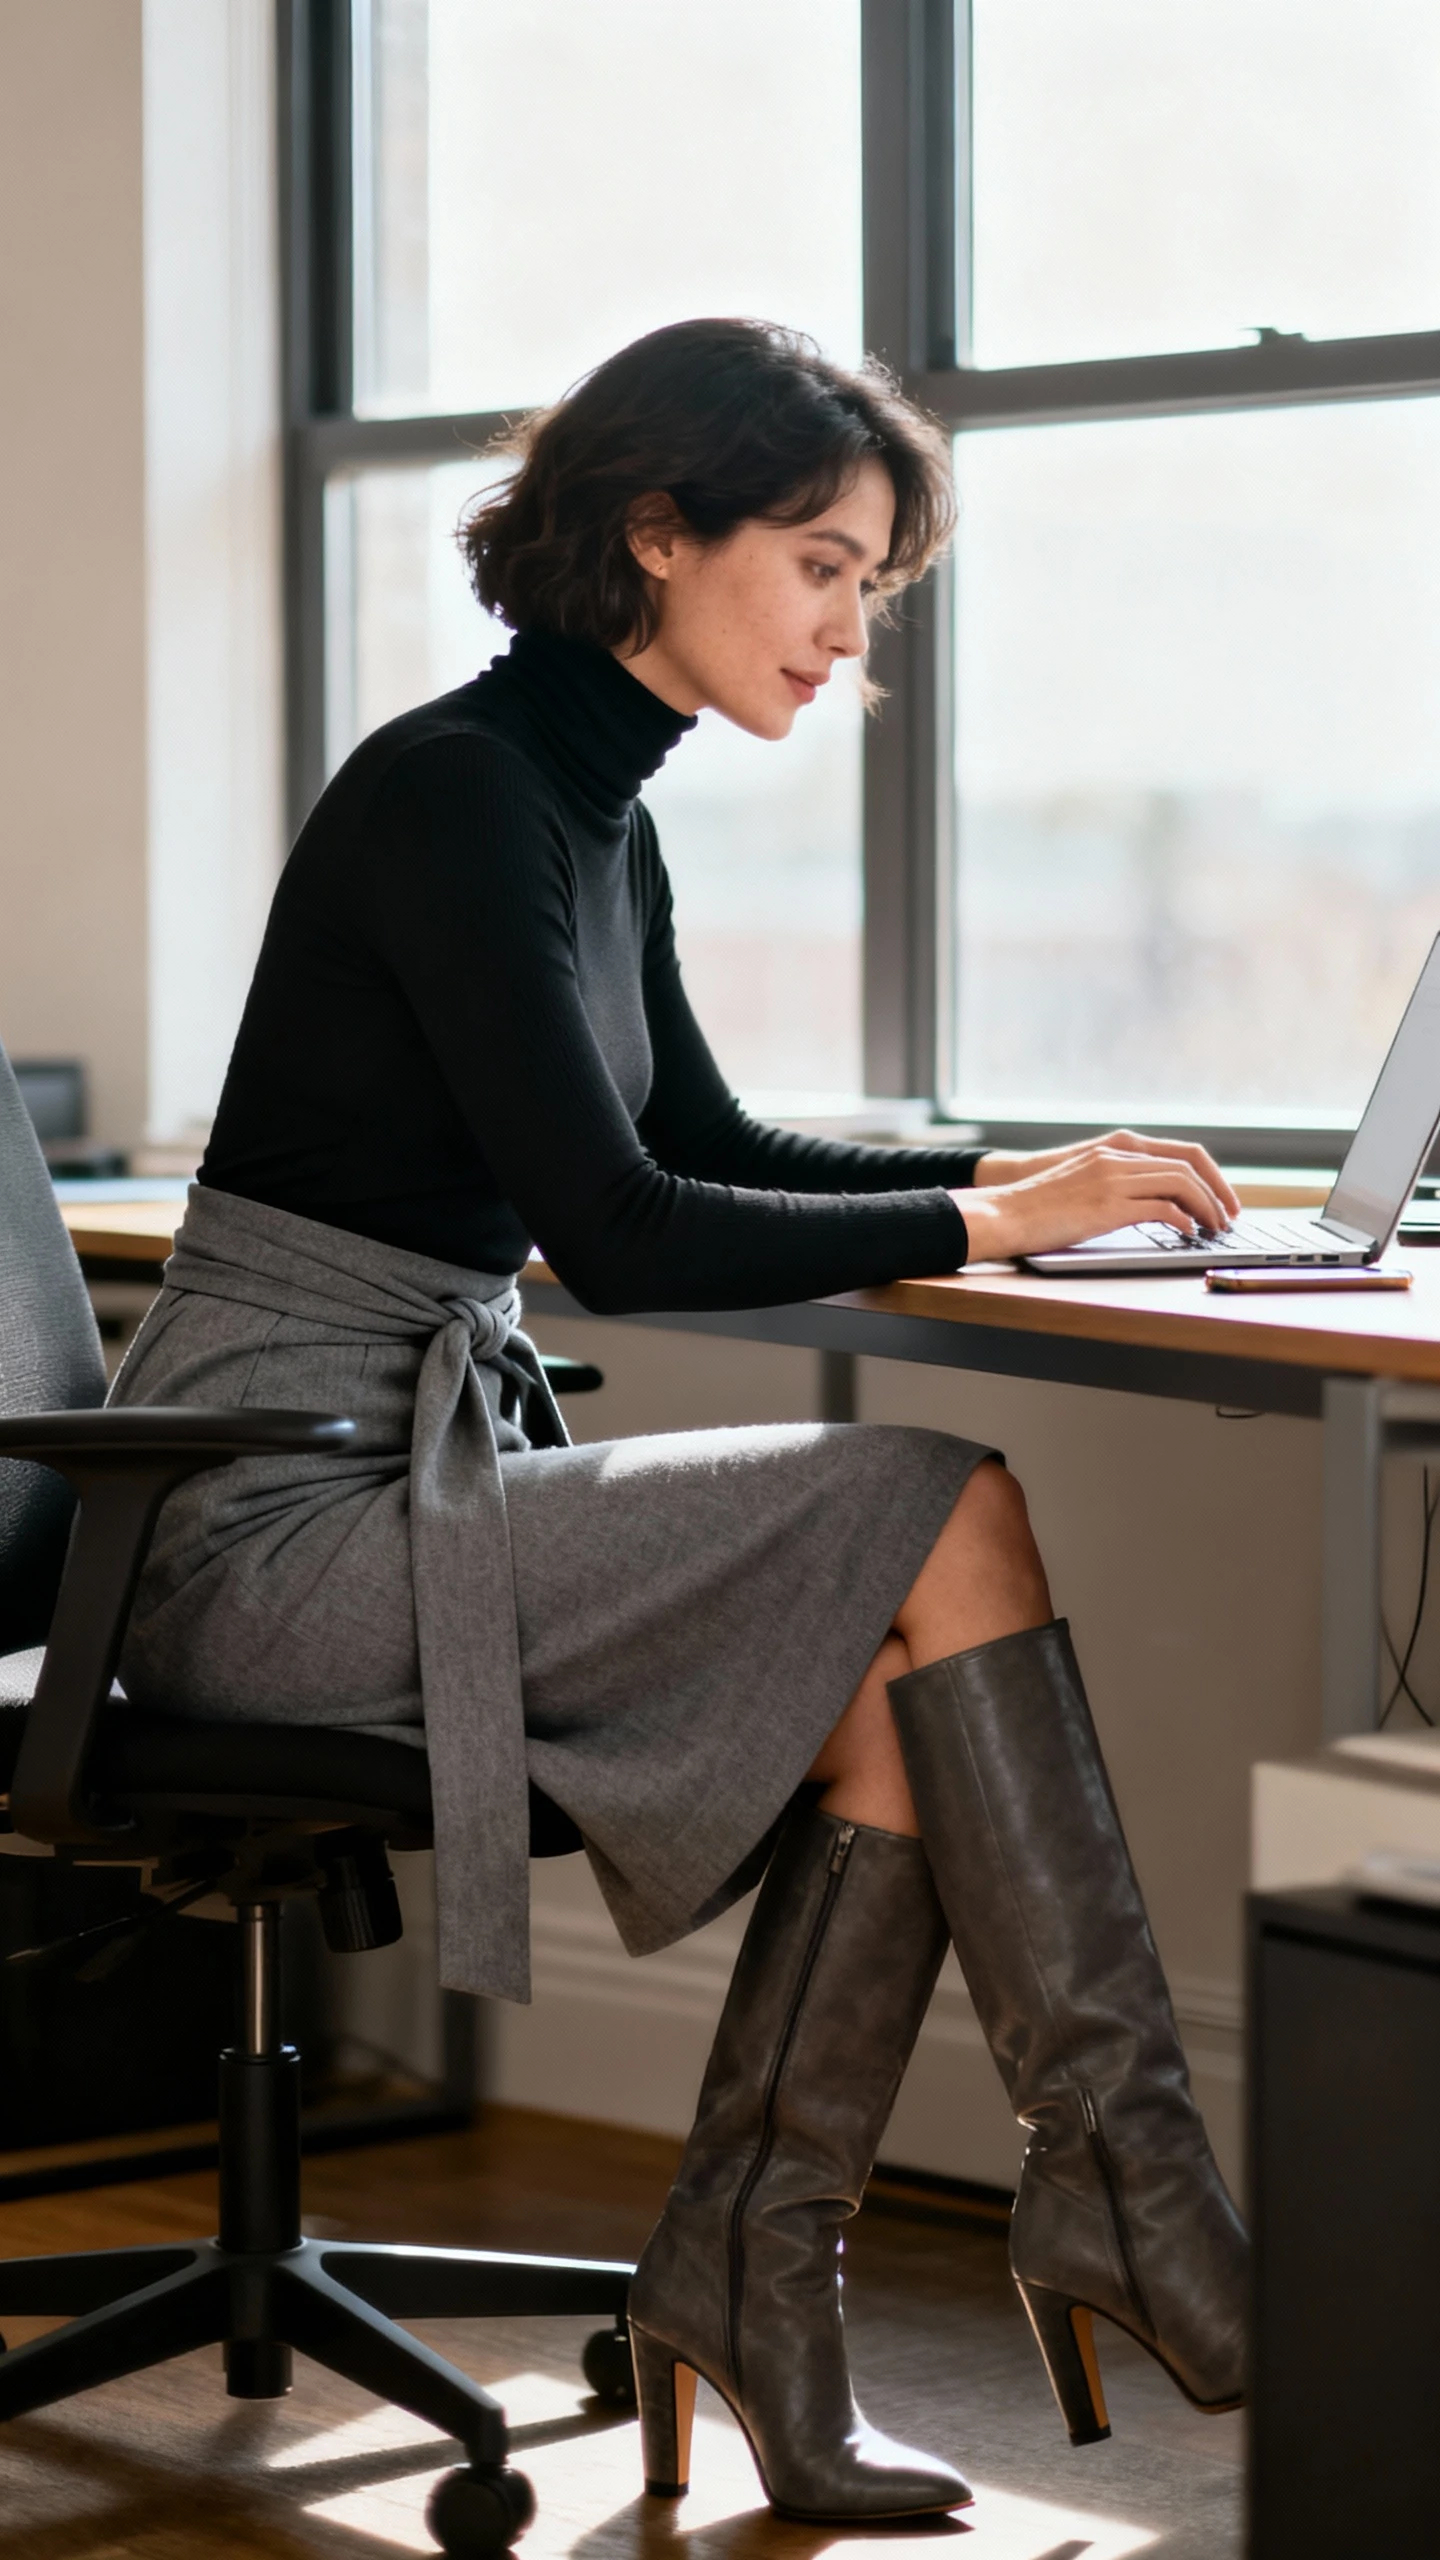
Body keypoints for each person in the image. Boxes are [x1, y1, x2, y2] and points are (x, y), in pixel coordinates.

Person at [111, 318, 1246, 2525]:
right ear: (657, 530)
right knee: (940, 1504)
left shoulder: (589, 818)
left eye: (872, 589)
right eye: (821, 567)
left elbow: (711, 1134)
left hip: (411, 1482)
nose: (849, 633)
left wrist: (1035, 1192)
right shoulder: (454, 796)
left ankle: (766, 2263)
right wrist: (994, 1212)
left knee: (906, 1660)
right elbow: (620, 1230)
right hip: (261, 1526)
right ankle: (1118, 2192)